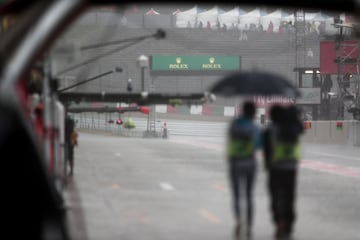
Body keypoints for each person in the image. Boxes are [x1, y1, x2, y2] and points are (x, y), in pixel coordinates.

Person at [262, 105, 304, 240]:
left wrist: (267, 166)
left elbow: (267, 153)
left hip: (275, 168)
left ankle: (279, 221)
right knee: (289, 197)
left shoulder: (271, 130)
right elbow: (301, 129)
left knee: (275, 196)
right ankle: (289, 225)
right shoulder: (293, 129)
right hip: (291, 168)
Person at [227, 101, 262, 239]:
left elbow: (230, 140)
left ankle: (238, 220)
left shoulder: (234, 125)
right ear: (253, 113)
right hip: (249, 162)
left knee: (236, 194)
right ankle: (249, 225)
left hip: (235, 162)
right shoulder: (255, 127)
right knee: (248, 195)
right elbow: (259, 146)